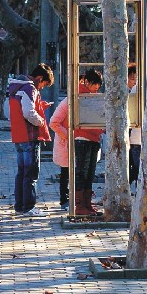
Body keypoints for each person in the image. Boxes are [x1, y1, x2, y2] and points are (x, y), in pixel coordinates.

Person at [8, 64, 54, 216]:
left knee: (21, 172)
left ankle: (20, 206)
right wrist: (41, 120)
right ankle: (29, 206)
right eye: (44, 84)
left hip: (18, 135)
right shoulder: (30, 89)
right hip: (30, 136)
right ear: (40, 78)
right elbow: (28, 112)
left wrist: (40, 106)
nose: (42, 88)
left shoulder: (16, 86)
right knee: (31, 173)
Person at [74, 69, 104, 216]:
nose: (96, 88)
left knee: (90, 173)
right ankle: (79, 206)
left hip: (93, 137)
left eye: (98, 86)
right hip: (83, 138)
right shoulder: (81, 94)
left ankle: (86, 204)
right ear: (88, 82)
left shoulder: (93, 96)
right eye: (95, 85)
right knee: (82, 173)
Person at [49, 95, 69, 209]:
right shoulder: (66, 102)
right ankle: (64, 199)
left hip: (77, 142)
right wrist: (68, 136)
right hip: (66, 143)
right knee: (66, 173)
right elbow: (54, 123)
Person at [127, 64, 142, 193]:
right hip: (129, 137)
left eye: (136, 78)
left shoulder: (138, 91)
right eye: (132, 78)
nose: (135, 81)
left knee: (136, 167)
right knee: (132, 166)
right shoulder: (124, 92)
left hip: (136, 137)